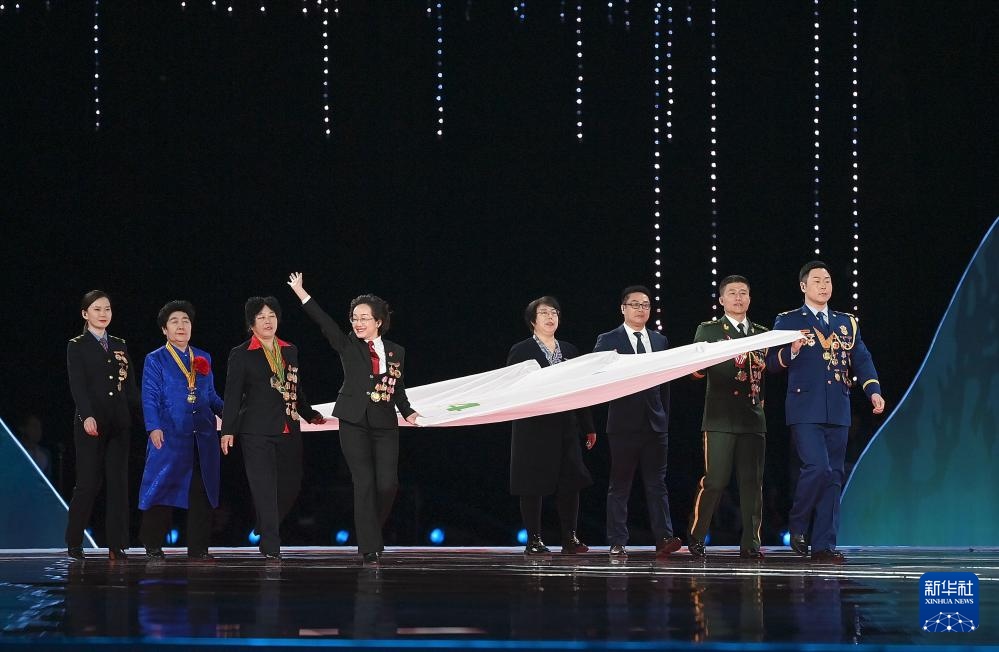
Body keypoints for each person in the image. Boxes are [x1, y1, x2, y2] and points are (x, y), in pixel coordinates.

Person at [287, 272, 419, 565]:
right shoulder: (347, 344)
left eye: (364, 318)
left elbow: (397, 387)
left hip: (385, 424)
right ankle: (369, 546)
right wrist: (301, 292)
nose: (357, 323)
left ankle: (371, 529)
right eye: (354, 318)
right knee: (364, 482)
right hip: (353, 421)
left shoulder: (397, 351)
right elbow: (324, 322)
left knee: (388, 485)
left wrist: (408, 410)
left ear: (378, 321)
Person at [766, 261, 884, 563]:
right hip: (805, 408)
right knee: (817, 467)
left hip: (839, 407)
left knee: (834, 476)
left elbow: (862, 359)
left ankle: (824, 546)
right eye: (817, 280)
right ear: (803, 286)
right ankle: (798, 524)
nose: (823, 285)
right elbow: (771, 363)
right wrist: (792, 350)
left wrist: (873, 391)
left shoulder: (847, 323)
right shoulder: (789, 321)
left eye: (827, 280)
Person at [220, 295, 326, 560]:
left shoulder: (289, 350)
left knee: (292, 484)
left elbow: (294, 388)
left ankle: (265, 522)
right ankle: (271, 545)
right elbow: (232, 395)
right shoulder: (241, 353)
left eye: (272, 316)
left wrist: (308, 413)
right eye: (261, 317)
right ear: (251, 324)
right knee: (264, 486)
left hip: (288, 427)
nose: (268, 321)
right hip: (255, 430)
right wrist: (228, 430)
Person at [593, 285, 682, 558]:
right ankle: (617, 540)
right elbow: (596, 376)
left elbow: (665, 385)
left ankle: (664, 537)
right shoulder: (608, 339)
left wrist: (664, 418)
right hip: (623, 424)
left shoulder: (659, 340)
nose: (640, 309)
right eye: (635, 304)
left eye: (645, 305)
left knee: (658, 484)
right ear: (623, 308)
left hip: (656, 424)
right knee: (620, 485)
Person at [507, 296, 597, 555]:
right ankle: (534, 540)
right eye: (544, 313)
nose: (550, 317)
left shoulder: (569, 350)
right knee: (531, 483)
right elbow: (511, 387)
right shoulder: (521, 350)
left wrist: (588, 426)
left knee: (571, 481)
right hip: (532, 427)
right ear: (532, 320)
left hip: (566, 425)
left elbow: (582, 390)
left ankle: (570, 538)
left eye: (554, 312)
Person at [687, 275, 768, 560]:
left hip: (752, 418)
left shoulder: (762, 333)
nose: (738, 298)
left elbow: (763, 376)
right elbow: (695, 372)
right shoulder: (709, 330)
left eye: (743, 293)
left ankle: (751, 543)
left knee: (752, 484)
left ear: (750, 298)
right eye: (732, 293)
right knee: (715, 480)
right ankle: (697, 537)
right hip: (720, 417)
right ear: (722, 300)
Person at [138, 300, 225, 561]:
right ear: (164, 329)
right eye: (174, 322)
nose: (181, 326)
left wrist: (232, 415)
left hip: (202, 436)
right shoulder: (155, 359)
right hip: (169, 435)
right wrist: (153, 427)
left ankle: (199, 549)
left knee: (201, 491)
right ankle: (153, 544)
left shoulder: (203, 357)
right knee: (162, 487)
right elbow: (150, 396)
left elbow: (211, 396)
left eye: (185, 321)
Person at [65, 290, 141, 560]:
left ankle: (117, 544)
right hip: (91, 422)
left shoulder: (119, 344)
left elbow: (130, 387)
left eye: (107, 309)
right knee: (88, 483)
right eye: (96, 309)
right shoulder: (77, 345)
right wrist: (86, 415)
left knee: (118, 483)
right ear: (85, 314)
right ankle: (75, 542)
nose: (103, 314)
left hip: (119, 422)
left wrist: (145, 418)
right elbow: (78, 384)